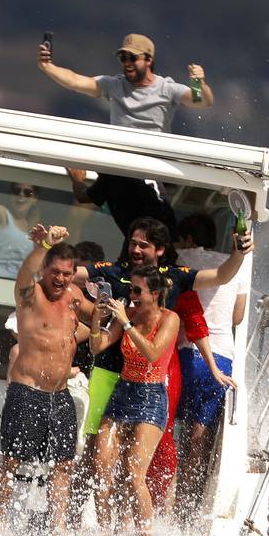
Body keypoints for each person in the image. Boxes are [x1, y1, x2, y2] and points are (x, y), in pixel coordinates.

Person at [75, 217, 250, 510]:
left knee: (140, 463)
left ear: (160, 249)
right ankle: (81, 524)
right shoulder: (115, 272)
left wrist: (239, 254)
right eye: (133, 242)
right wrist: (94, 313)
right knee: (97, 457)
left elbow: (220, 277)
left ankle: (145, 519)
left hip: (151, 378)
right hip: (109, 373)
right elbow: (68, 274)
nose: (136, 249)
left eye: (144, 244)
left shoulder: (174, 278)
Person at [0, 224, 91, 532]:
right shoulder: (30, 295)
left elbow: (98, 315)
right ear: (45, 269)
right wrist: (43, 246)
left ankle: (57, 528)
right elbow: (25, 273)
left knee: (64, 464)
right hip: (27, 391)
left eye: (67, 273)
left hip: (60, 395)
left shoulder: (74, 297)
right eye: (55, 272)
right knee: (11, 461)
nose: (60, 279)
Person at [88, 266, 180, 536]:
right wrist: (96, 318)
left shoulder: (169, 318)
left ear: (155, 294)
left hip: (151, 397)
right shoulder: (127, 314)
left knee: (132, 473)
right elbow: (97, 346)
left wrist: (126, 323)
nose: (132, 295)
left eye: (138, 291)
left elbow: (152, 353)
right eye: (131, 290)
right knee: (101, 467)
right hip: (122, 392)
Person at [171, 214, 251, 526]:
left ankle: (161, 502)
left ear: (188, 239)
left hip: (185, 355)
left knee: (165, 432)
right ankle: (185, 513)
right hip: (220, 360)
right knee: (197, 438)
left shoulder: (183, 259)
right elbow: (237, 316)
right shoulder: (239, 263)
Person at [38, 33, 213, 133]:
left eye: (133, 57)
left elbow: (201, 102)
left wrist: (198, 83)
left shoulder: (167, 89)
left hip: (154, 163)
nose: (127, 62)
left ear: (149, 60)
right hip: (122, 160)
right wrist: (48, 67)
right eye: (123, 57)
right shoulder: (113, 85)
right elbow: (75, 81)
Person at [65, 168, 176, 238]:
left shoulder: (114, 175)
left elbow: (82, 196)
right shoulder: (144, 166)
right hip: (165, 233)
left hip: (148, 237)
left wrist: (77, 179)